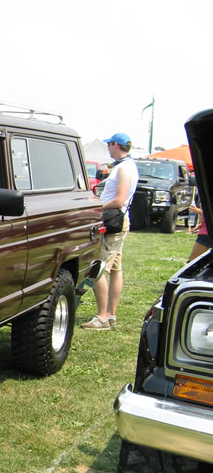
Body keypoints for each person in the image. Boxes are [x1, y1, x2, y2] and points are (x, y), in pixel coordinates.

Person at [81, 132, 139, 330]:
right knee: (115, 269)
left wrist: (96, 207)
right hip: (120, 221)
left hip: (114, 222)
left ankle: (102, 317)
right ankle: (111, 314)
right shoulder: (128, 166)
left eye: (109, 145)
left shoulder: (124, 169)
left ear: (116, 145)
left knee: (98, 269)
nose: (107, 148)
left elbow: (119, 200)